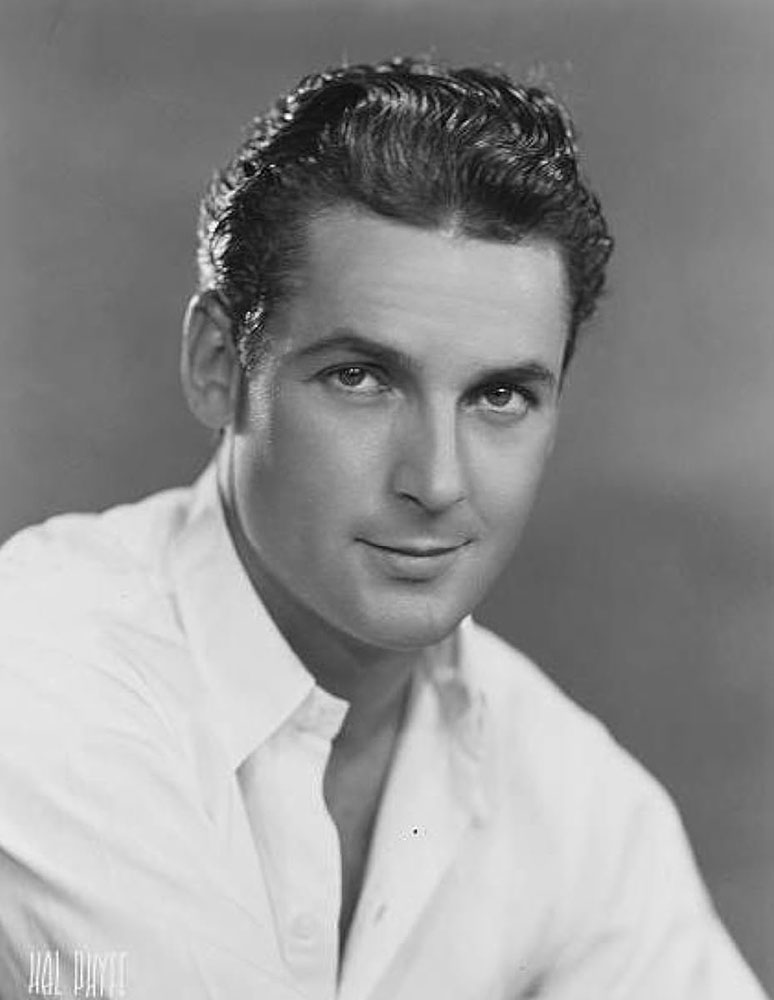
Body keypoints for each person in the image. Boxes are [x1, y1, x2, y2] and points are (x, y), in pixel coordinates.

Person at [0, 55, 766, 1000]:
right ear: (216, 364)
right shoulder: (40, 669)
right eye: (361, 378)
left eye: (499, 395)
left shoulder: (572, 794)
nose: (438, 483)